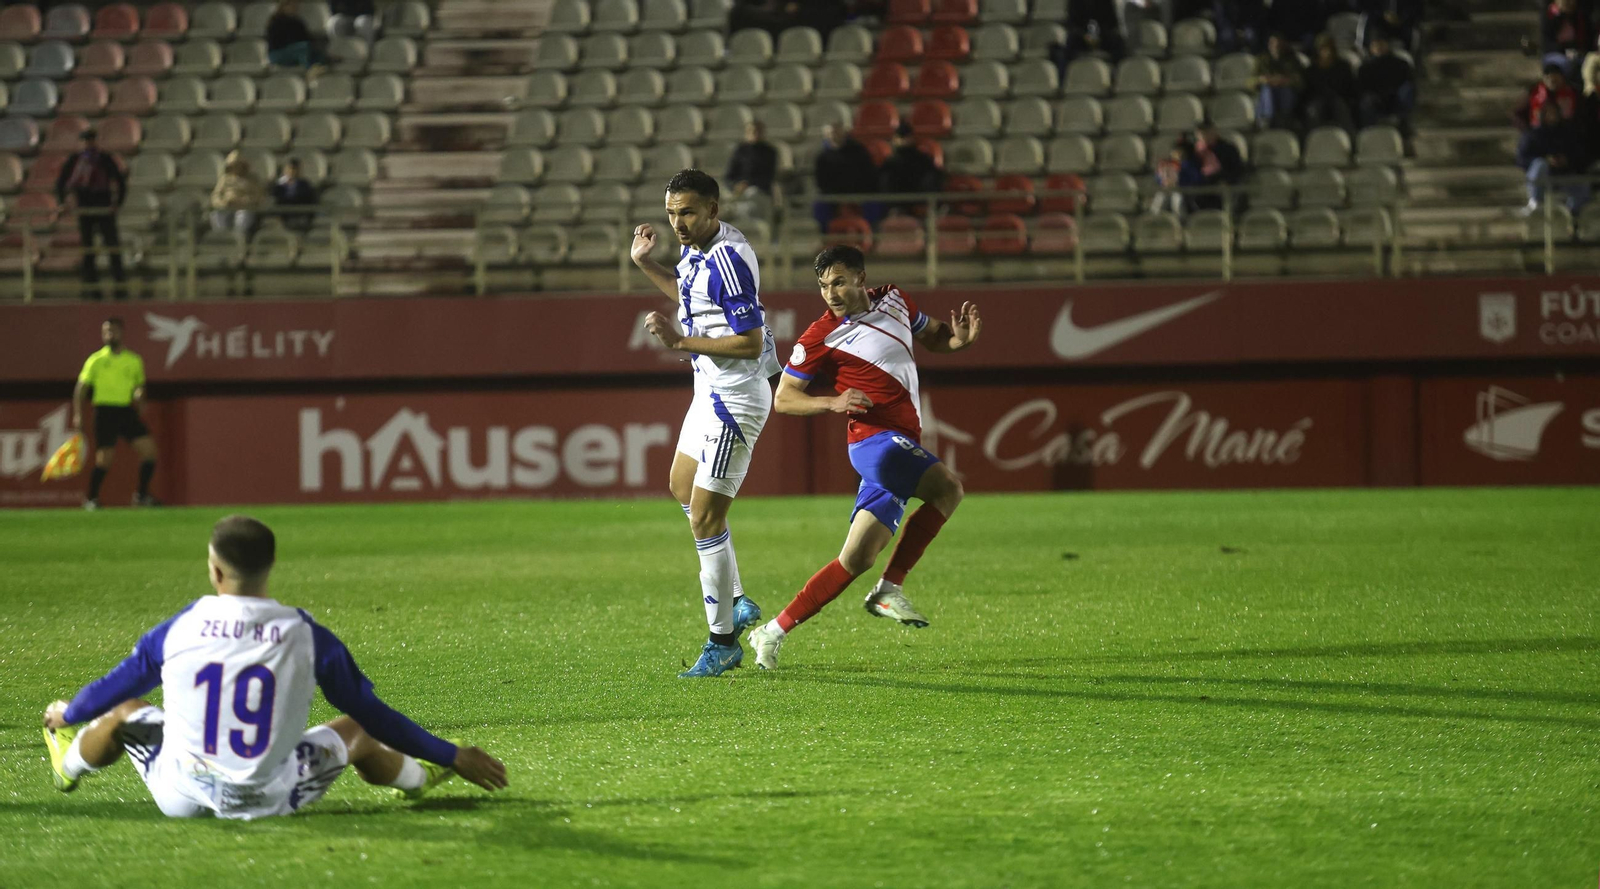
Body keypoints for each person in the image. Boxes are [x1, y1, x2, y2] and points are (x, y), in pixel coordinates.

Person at [40, 515, 508, 818]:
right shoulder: (306, 635)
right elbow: (374, 714)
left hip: (182, 792)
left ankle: (68, 765)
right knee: (359, 729)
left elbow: (112, 687)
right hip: (272, 797)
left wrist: (69, 713)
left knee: (123, 710)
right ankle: (419, 779)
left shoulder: (179, 629)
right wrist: (452, 754)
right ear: (273, 564)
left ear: (215, 571)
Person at [746, 246, 981, 671]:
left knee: (856, 559)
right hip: (874, 443)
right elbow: (784, 399)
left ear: (860, 278)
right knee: (949, 488)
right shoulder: (820, 336)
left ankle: (772, 631)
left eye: (838, 282)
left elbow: (934, 336)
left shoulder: (895, 299)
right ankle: (889, 589)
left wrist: (959, 341)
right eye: (823, 286)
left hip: (900, 444)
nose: (830, 293)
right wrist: (832, 402)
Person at [628, 169, 779, 678]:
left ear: (713, 209)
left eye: (688, 212)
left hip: (735, 399)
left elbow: (751, 342)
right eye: (672, 213)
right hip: (709, 389)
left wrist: (678, 342)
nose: (678, 223)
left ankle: (723, 642)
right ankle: (736, 599)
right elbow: (688, 294)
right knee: (681, 487)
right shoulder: (697, 250)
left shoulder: (728, 259)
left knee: (705, 520)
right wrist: (645, 263)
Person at [73, 317, 158, 509]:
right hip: (105, 412)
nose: (109, 335)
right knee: (104, 459)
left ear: (121, 332)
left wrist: (140, 396)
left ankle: (142, 495)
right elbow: (81, 389)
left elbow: (139, 386)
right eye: (106, 332)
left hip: (126, 411)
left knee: (149, 452)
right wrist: (78, 415)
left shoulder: (133, 360)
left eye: (112, 331)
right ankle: (91, 498)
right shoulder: (96, 360)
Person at [54, 128, 128, 301]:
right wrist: (62, 202)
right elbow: (61, 182)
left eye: (91, 140)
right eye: (86, 141)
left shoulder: (104, 159)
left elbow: (120, 181)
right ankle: (92, 290)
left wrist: (117, 203)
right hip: (85, 210)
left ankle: (120, 289)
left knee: (112, 248)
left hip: (103, 209)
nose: (88, 144)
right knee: (88, 251)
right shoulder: (75, 160)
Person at [1517, 102, 1591, 216]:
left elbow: (1579, 154)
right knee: (1540, 164)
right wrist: (1547, 160)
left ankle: (1572, 214)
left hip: (1563, 175)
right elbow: (1522, 159)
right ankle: (1535, 203)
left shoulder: (1568, 133)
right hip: (1543, 176)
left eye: (1554, 113)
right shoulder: (1532, 135)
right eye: (1548, 113)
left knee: (1583, 186)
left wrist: (1566, 160)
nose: (1552, 116)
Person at [813, 123, 878, 229]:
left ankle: (872, 233)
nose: (835, 134)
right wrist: (837, 198)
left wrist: (856, 195)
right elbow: (822, 182)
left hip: (860, 194)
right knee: (820, 206)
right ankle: (826, 235)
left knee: (873, 204)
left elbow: (868, 176)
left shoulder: (859, 151)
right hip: (834, 196)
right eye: (832, 132)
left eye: (837, 131)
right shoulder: (823, 157)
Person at [877, 122, 943, 215]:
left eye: (904, 137)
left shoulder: (923, 159)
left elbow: (934, 178)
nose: (902, 141)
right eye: (900, 138)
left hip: (919, 201)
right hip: (896, 204)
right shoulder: (890, 162)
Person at [1357, 33, 1416, 132]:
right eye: (1375, 45)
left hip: (1395, 97)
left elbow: (1408, 82)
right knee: (1366, 100)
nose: (1379, 47)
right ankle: (1368, 131)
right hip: (1376, 99)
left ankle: (1404, 127)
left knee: (1406, 91)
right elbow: (1362, 88)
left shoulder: (1400, 63)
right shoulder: (1365, 68)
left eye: (1381, 44)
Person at [723, 120, 779, 226]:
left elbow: (769, 177)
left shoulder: (770, 152)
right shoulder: (739, 151)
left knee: (752, 197)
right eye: (752, 131)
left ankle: (736, 215)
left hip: (760, 191)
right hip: (739, 192)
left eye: (758, 131)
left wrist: (748, 184)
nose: (755, 134)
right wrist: (735, 186)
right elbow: (729, 176)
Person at [1303, 34, 1359, 132]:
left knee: (1341, 107)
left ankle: (1350, 138)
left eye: (1329, 48)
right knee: (1314, 109)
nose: (1327, 52)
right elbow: (1308, 91)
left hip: (1338, 98)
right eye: (1323, 49)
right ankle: (1312, 138)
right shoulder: (1311, 70)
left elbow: (1349, 88)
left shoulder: (1343, 66)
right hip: (1317, 99)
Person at [1054, 0, 1127, 69]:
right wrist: (1085, 36)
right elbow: (1072, 23)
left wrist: (1099, 36)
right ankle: (1064, 74)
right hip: (1081, 37)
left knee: (1119, 42)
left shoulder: (1108, 2)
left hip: (1104, 37)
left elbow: (1113, 23)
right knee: (1069, 42)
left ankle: (1120, 72)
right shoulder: (1075, 1)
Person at [1253, 33, 1305, 129]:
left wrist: (1284, 81)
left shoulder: (1292, 60)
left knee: (1286, 91)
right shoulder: (1262, 60)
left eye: (1279, 44)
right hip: (1266, 93)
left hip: (1286, 92)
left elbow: (1300, 81)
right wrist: (1263, 80)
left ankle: (1285, 119)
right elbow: (1251, 82)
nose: (1276, 47)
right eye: (1273, 44)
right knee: (1268, 90)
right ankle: (1269, 120)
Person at [1194, 121, 1246, 210]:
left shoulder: (1228, 149)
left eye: (1206, 132)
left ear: (1214, 131)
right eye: (1200, 134)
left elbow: (1237, 170)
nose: (1203, 136)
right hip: (1201, 184)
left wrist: (1226, 180)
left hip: (1222, 183)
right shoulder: (1194, 151)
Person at [210, 150, 264, 236]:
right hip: (227, 206)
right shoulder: (224, 179)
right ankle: (222, 236)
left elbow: (258, 196)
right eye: (233, 165)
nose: (236, 168)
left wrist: (243, 201)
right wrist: (222, 202)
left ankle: (238, 237)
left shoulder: (252, 179)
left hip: (244, 207)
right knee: (216, 214)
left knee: (243, 216)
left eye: (238, 165)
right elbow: (216, 195)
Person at [1150, 135, 1205, 217]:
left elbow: (1195, 179)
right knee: (1160, 198)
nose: (1177, 154)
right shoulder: (1167, 163)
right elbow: (1158, 177)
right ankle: (1155, 219)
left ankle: (1180, 220)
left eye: (1180, 152)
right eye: (1175, 152)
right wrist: (1162, 180)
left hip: (1184, 191)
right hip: (1168, 189)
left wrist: (1178, 181)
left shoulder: (1190, 165)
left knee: (1177, 200)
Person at [1514, 65, 1579, 131]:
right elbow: (1519, 114)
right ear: (1544, 79)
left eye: (1555, 79)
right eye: (1548, 78)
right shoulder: (1534, 92)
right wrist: (1527, 130)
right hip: (1538, 132)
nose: (1552, 81)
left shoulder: (1574, 93)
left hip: (1566, 132)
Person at [1543, 0, 1593, 83]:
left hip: (1577, 52)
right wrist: (1560, 15)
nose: (1569, 3)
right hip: (1555, 52)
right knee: (1565, 64)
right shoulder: (1549, 16)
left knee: (1589, 63)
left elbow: (1587, 40)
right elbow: (1547, 42)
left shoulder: (1580, 17)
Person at [266, 0, 326, 69]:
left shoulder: (298, 22)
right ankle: (308, 69)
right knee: (303, 47)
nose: (295, 7)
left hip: (295, 52)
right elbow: (277, 43)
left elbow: (307, 39)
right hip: (277, 54)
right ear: (284, 6)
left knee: (316, 53)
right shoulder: (275, 21)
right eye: (292, 5)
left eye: (296, 5)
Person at [271, 157, 319, 233]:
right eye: (290, 168)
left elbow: (310, 200)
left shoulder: (305, 185)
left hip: (300, 214)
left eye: (295, 169)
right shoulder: (278, 186)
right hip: (283, 215)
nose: (292, 171)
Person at [1356, 0, 1423, 54]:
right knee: (1367, 19)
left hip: (1402, 23)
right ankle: (1368, 49)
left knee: (1412, 33)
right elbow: (1365, 6)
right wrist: (1383, 14)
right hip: (1378, 21)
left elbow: (1416, 8)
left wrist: (1401, 18)